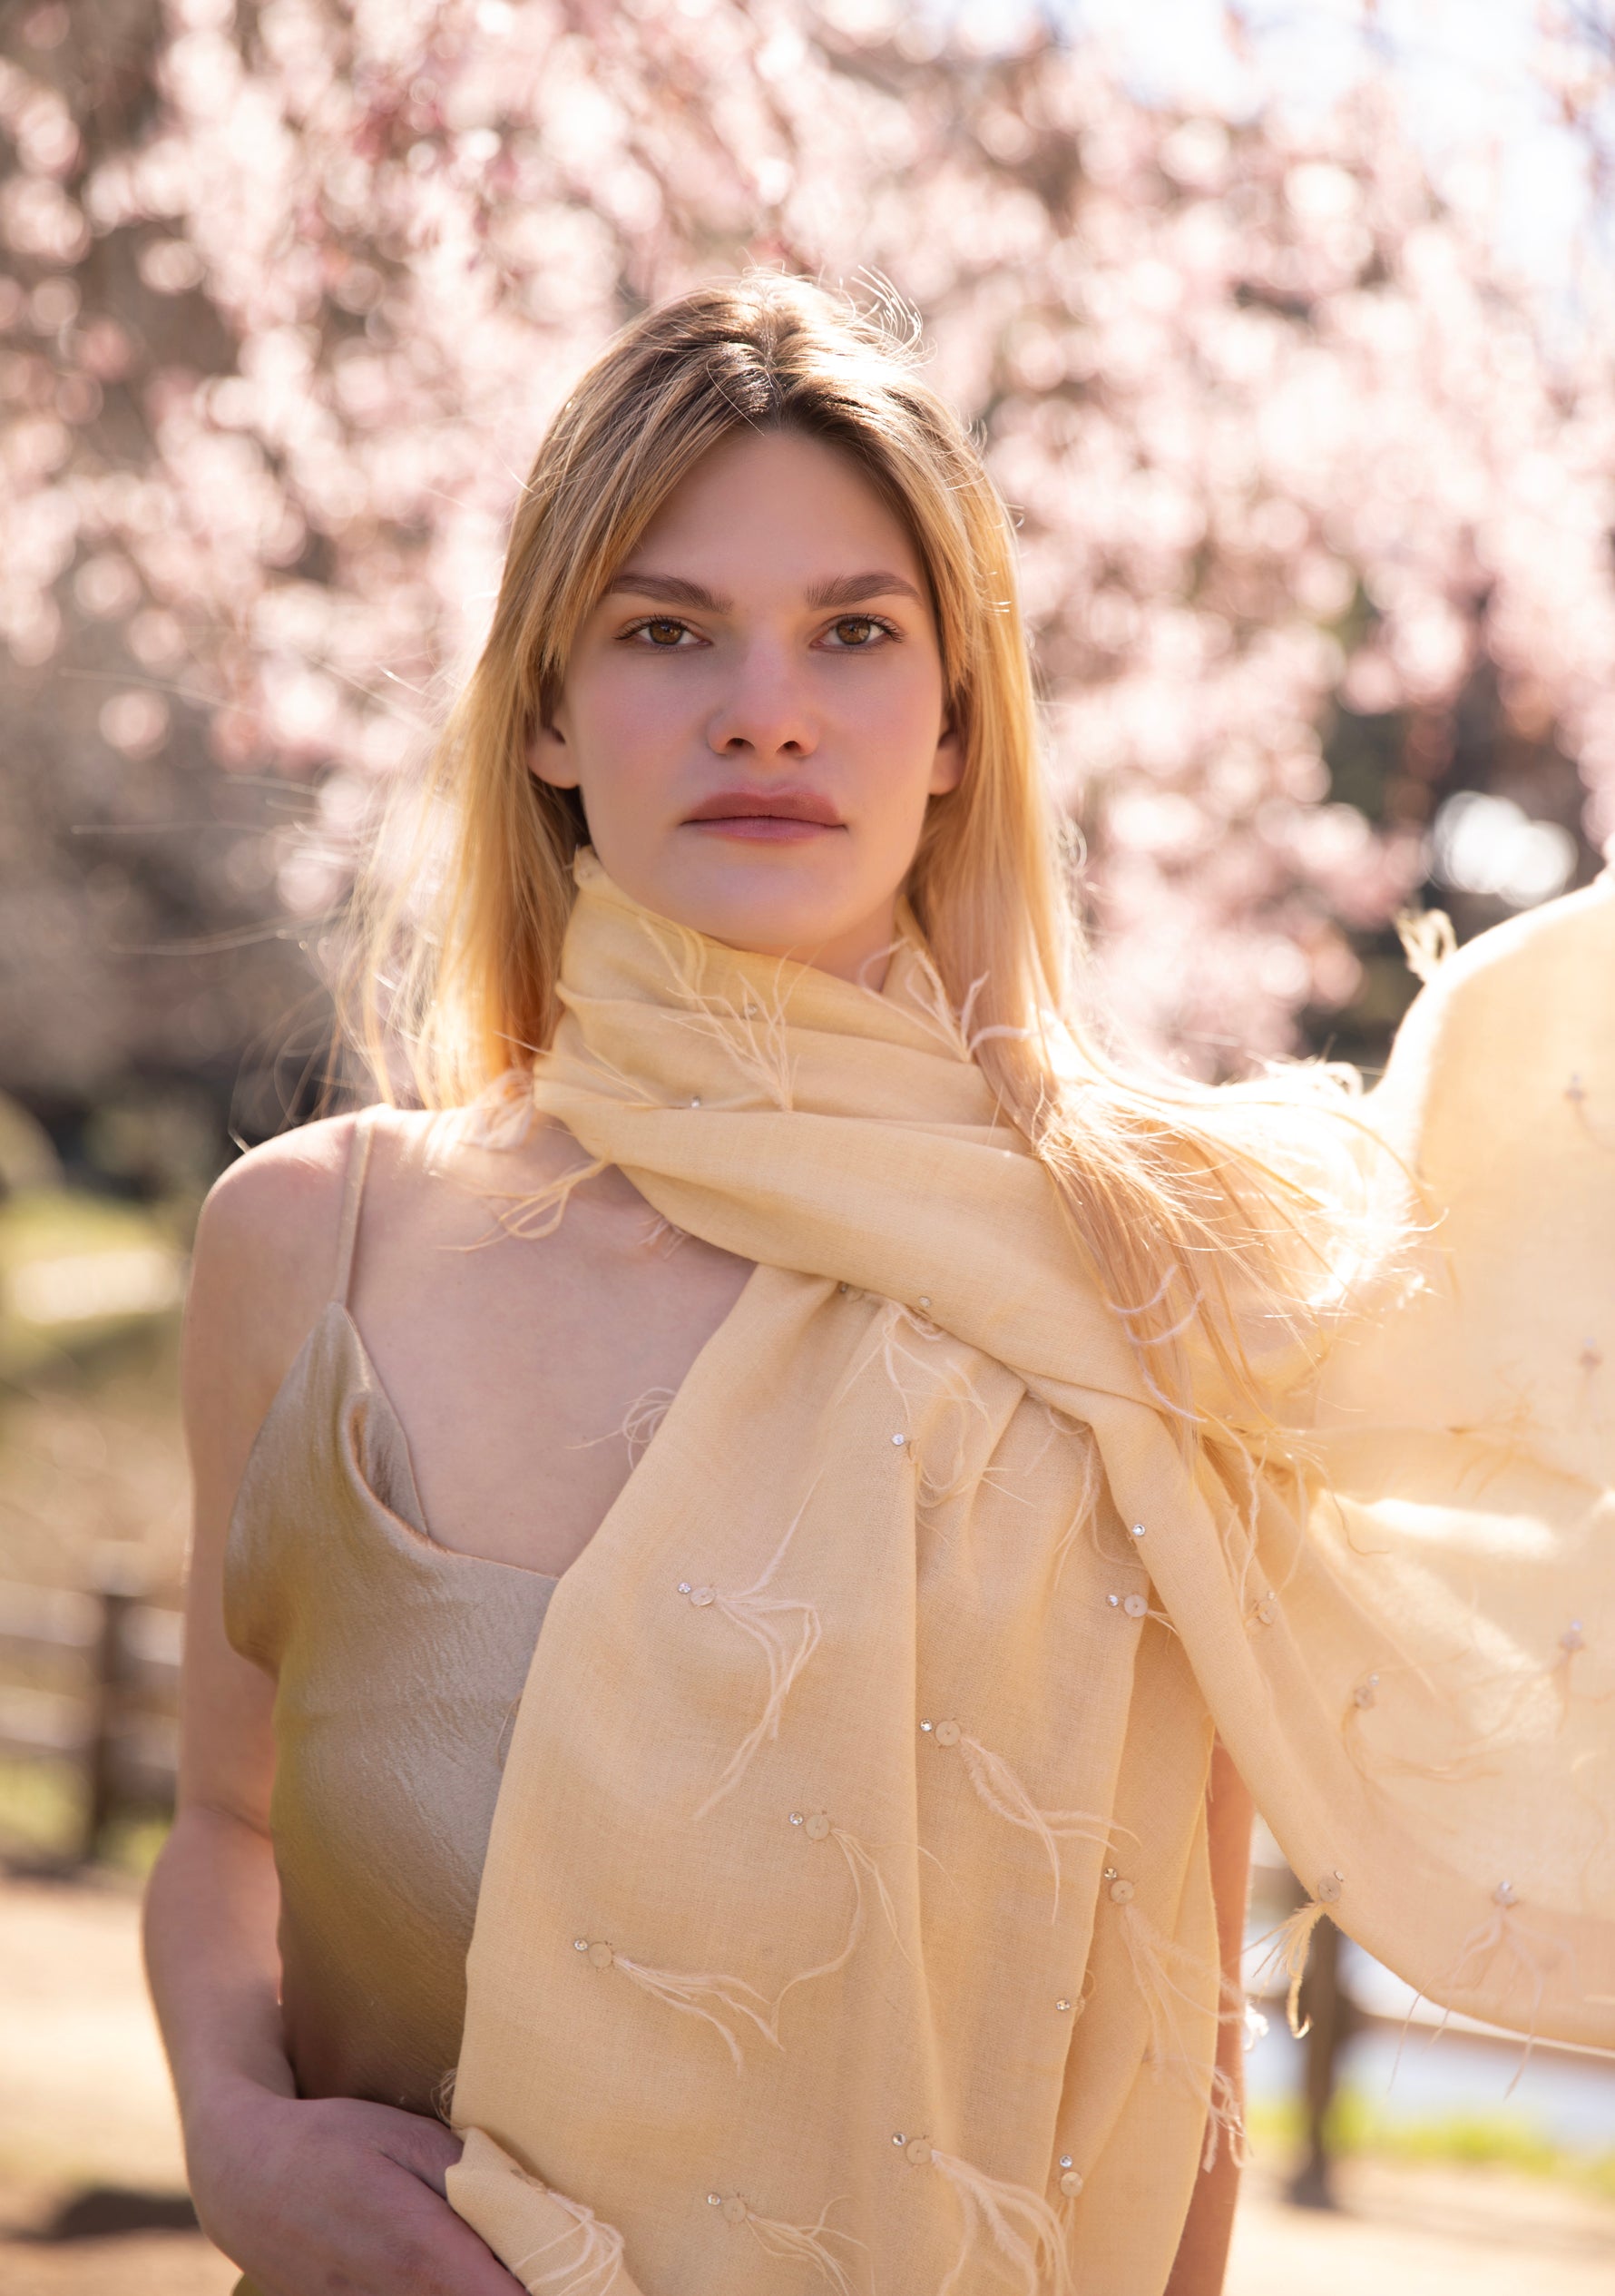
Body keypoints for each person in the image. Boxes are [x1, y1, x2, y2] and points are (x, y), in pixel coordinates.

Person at [144, 276, 1613, 2296]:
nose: (768, 708)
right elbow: (221, 1824)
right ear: (551, 710)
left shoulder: (1128, 1280)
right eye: (668, 631)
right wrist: (237, 2138)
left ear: (947, 728)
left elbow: (1166, 2061)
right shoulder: (315, 1243)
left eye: (853, 633)